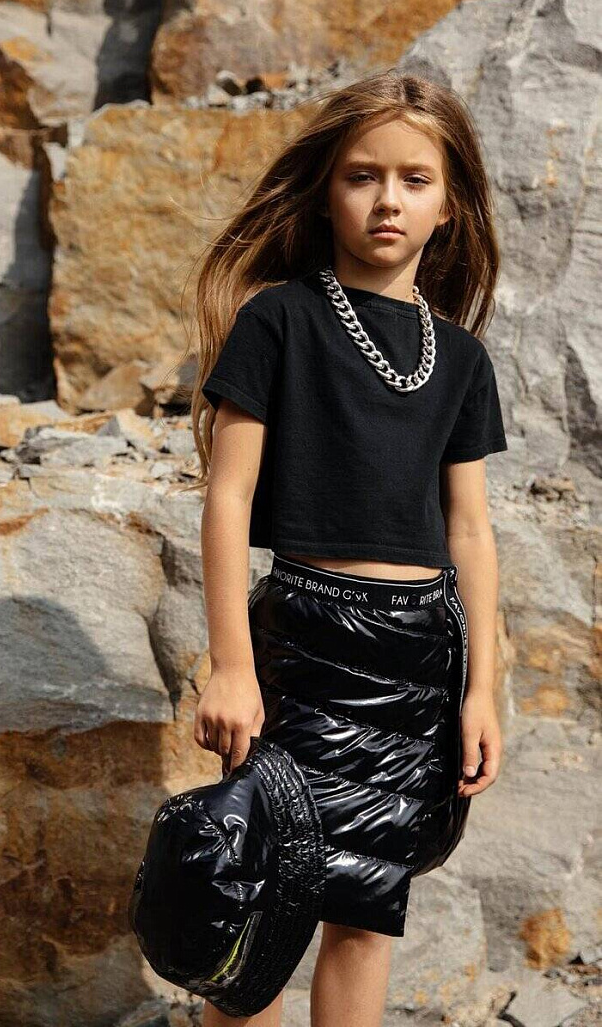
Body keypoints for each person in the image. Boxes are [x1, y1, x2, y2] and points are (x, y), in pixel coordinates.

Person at [186, 69, 507, 1027]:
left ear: (448, 207)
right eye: (362, 176)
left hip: (414, 662)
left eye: (414, 180)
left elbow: (469, 529)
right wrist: (230, 665)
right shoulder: (277, 321)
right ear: (325, 191)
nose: (387, 200)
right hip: (301, 643)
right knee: (254, 910)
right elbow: (227, 496)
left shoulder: (461, 359)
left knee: (364, 917)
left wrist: (480, 690)